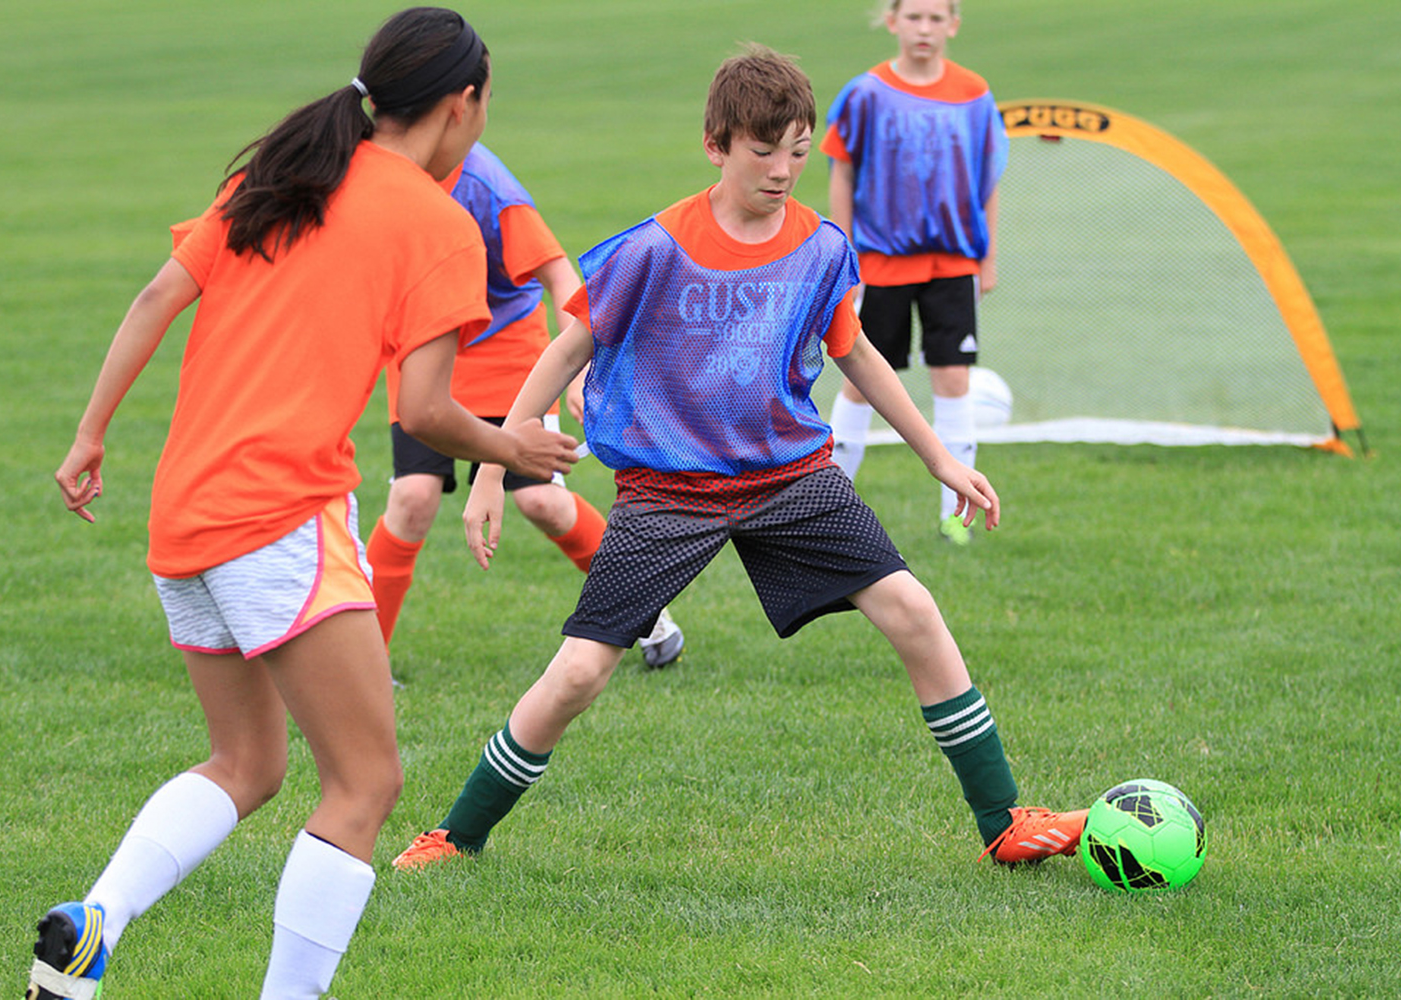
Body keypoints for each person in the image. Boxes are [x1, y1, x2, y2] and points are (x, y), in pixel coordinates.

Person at [390, 45, 1082, 875]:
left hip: (790, 476)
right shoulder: (652, 249)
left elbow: (856, 354)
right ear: (716, 144)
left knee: (915, 613)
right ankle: (456, 834)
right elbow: (566, 349)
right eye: (764, 150)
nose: (784, 169)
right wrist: (497, 470)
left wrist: (939, 457)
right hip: (666, 487)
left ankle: (1003, 822)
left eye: (798, 150)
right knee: (577, 673)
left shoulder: (821, 248)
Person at [35, 9, 578, 999]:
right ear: (463, 105)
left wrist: (89, 434)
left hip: (184, 515)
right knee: (367, 784)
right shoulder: (437, 221)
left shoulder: (277, 177)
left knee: (246, 761)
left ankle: (94, 922)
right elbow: (423, 410)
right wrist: (515, 445)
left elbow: (156, 297)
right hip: (278, 513)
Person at [366, 143, 684, 668]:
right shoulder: (378, 175)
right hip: (421, 348)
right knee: (413, 498)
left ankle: (647, 610)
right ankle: (363, 663)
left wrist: (581, 371)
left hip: (507, 349)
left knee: (541, 502)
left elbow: (560, 276)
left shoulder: (488, 187)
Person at [822, 0, 1007, 546]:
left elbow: (988, 179)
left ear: (952, 24)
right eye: (914, 17)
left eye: (935, 18)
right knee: (862, 383)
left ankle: (956, 514)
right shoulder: (865, 94)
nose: (924, 29)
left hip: (951, 262)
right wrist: (845, 258)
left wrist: (987, 258)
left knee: (953, 379)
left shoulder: (974, 93)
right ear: (892, 21)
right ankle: (830, 507)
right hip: (881, 263)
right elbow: (841, 174)